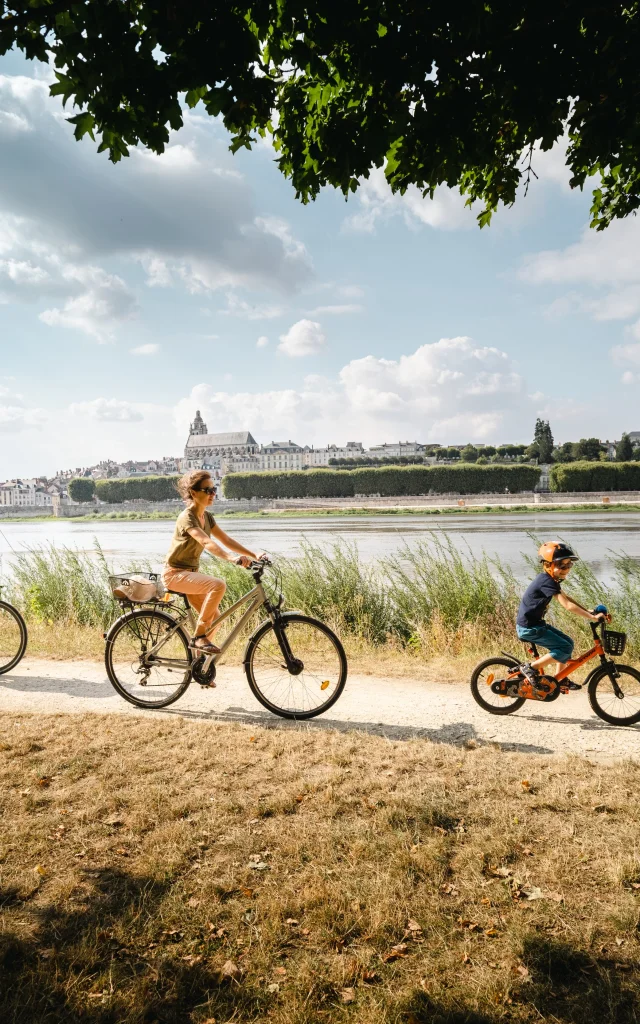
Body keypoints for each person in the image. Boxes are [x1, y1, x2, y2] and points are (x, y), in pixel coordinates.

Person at [163, 469, 264, 656]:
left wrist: (254, 554)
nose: (212, 494)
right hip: (175, 574)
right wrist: (232, 558)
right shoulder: (187, 517)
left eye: (214, 489)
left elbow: (226, 540)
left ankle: (198, 663)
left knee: (216, 618)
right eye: (207, 490)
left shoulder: (207, 517)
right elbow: (206, 541)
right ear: (194, 493)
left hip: (189, 573)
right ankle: (199, 636)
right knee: (218, 585)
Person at [516, 541, 606, 689]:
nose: (566, 569)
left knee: (568, 644)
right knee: (563, 648)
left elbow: (568, 598)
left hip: (536, 624)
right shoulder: (546, 581)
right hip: (529, 628)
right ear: (547, 565)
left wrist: (588, 610)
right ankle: (531, 667)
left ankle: (560, 678)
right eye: (561, 565)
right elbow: (567, 605)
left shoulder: (551, 580)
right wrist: (592, 617)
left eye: (569, 565)